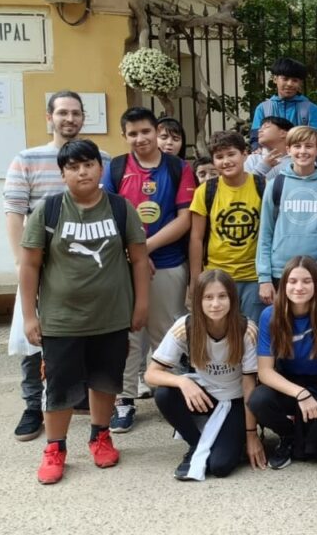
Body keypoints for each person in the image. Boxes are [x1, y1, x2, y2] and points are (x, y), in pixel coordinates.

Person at [19, 139, 150, 484]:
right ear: (63, 174)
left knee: (106, 380)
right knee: (59, 385)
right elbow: (29, 266)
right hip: (62, 320)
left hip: (112, 316)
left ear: (100, 168)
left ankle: (100, 436)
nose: (82, 171)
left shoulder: (121, 209)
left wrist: (141, 305)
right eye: (74, 167)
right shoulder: (48, 212)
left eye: (88, 164)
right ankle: (55, 447)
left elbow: (139, 259)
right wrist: (30, 316)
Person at [3, 90, 108, 441]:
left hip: (86, 268)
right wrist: (22, 262)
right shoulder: (27, 159)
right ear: (49, 117)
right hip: (41, 263)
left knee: (84, 335)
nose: (70, 119)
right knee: (34, 337)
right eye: (62, 112)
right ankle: (33, 405)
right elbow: (15, 210)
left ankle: (77, 399)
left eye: (76, 113)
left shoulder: (99, 157)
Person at [103, 107, 196, 433]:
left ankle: (174, 397)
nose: (140, 139)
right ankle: (125, 400)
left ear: (156, 131)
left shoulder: (178, 168)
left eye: (145, 131)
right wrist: (134, 254)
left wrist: (147, 249)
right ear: (125, 136)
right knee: (128, 333)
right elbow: (108, 215)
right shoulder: (115, 168)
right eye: (133, 134)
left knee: (170, 332)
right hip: (125, 264)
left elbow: (185, 219)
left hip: (168, 262)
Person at [145, 269, 265, 480]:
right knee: (164, 394)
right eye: (208, 297)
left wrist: (252, 435)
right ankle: (195, 444)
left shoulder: (246, 329)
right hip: (204, 396)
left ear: (232, 298)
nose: (215, 304)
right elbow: (151, 375)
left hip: (234, 401)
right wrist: (182, 381)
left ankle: (230, 440)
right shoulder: (186, 326)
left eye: (222, 296)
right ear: (198, 300)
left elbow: (249, 386)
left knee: (220, 466)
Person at [249, 256, 317, 471]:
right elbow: (265, 372)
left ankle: (310, 434)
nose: (299, 287)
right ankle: (288, 435)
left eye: (306, 281)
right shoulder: (270, 315)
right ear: (283, 284)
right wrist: (301, 394)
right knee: (259, 399)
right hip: (292, 385)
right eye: (293, 281)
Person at [188, 130, 266, 323]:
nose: (226, 161)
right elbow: (196, 237)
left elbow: (270, 234)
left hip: (253, 277)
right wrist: (195, 279)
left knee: (251, 332)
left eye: (231, 154)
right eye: (219, 157)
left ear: (245, 154)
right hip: (217, 275)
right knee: (219, 332)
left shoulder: (263, 186)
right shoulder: (206, 191)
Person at [257, 125, 317, 305]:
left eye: (309, 146)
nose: (303, 151)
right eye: (297, 146)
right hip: (280, 271)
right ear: (288, 150)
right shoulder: (275, 185)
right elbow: (266, 233)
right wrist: (264, 278)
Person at [248, 57, 317, 149]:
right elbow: (256, 138)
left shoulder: (311, 109)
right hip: (271, 160)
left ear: (300, 83)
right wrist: (258, 151)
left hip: (299, 159)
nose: (290, 84)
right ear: (275, 79)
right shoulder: (263, 108)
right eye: (285, 79)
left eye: (295, 80)